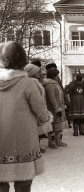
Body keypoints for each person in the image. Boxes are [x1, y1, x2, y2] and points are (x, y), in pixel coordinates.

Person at [0, 41, 50, 192]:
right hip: (23, 142)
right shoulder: (27, 83)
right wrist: (46, 119)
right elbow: (41, 112)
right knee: (23, 183)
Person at [24, 64, 53, 153]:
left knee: (37, 129)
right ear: (34, 73)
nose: (40, 73)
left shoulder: (36, 82)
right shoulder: (32, 83)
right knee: (35, 129)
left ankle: (36, 147)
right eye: (38, 72)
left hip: (38, 108)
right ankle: (35, 148)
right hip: (34, 110)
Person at [44, 68, 68, 148]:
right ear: (53, 76)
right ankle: (52, 142)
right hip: (53, 109)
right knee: (53, 126)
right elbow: (52, 98)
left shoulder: (55, 84)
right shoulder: (49, 85)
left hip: (60, 108)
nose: (58, 76)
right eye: (57, 75)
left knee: (59, 126)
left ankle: (59, 141)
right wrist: (56, 108)